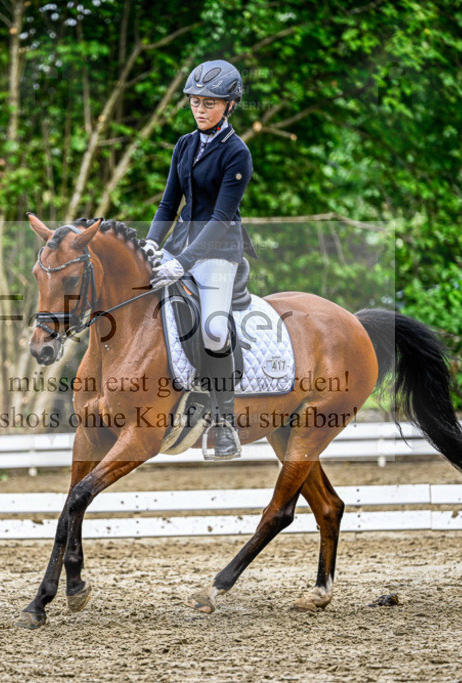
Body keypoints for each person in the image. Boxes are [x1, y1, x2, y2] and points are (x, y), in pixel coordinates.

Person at [142, 59, 258, 461]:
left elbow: (221, 218)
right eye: (195, 101)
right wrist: (152, 246)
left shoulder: (237, 153)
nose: (201, 109)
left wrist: (185, 260)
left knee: (212, 330)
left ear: (229, 105)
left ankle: (224, 423)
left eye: (210, 102)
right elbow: (168, 203)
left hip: (219, 252)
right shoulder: (184, 144)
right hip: (180, 247)